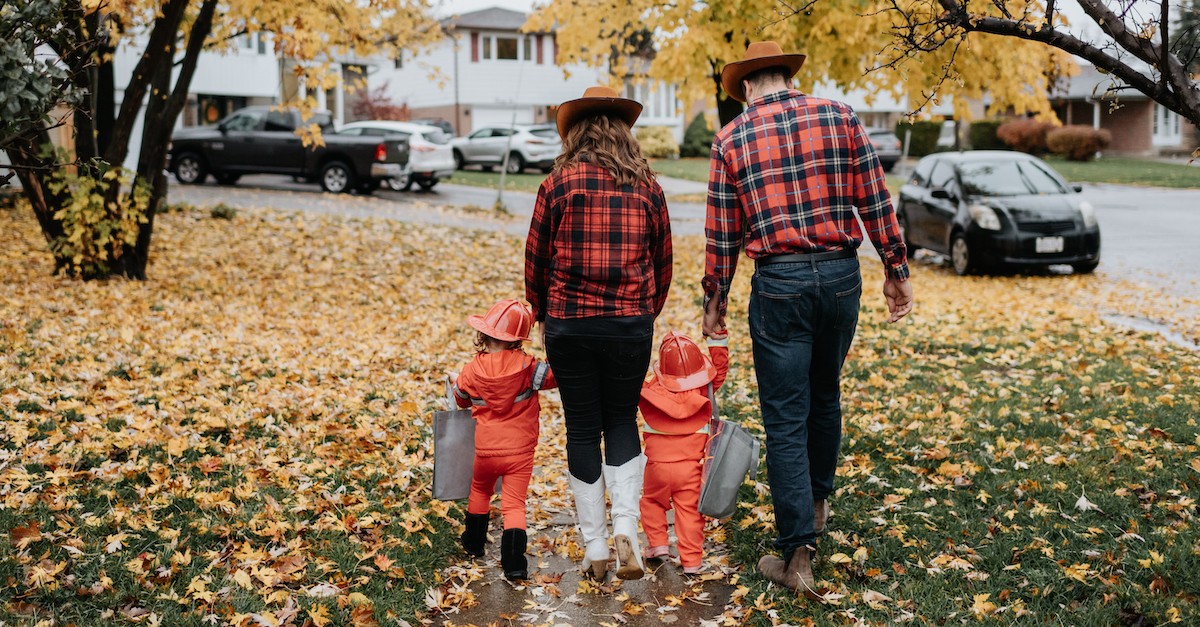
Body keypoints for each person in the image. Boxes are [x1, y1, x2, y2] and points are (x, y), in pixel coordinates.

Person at [702, 42, 914, 595]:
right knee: (825, 396)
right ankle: (816, 506)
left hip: (779, 283)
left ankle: (797, 552)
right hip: (841, 278)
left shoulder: (731, 138)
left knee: (785, 416)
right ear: (786, 77)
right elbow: (874, 198)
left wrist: (715, 299)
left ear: (747, 86)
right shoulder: (840, 116)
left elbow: (722, 233)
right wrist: (896, 268)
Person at [525, 85, 673, 581]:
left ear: (577, 131)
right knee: (621, 421)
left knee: (583, 429)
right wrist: (644, 312)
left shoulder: (558, 183)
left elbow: (536, 257)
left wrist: (541, 312)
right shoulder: (648, 185)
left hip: (570, 323)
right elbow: (663, 258)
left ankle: (594, 547)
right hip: (630, 324)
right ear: (624, 133)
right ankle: (626, 528)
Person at [452, 299, 557, 581]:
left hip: (485, 449)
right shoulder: (529, 368)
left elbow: (460, 399)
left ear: (485, 335)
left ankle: (473, 544)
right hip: (520, 452)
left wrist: (456, 384)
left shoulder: (472, 370)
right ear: (518, 341)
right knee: (514, 504)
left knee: (480, 492)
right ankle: (514, 564)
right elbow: (554, 376)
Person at [638, 331, 729, 575]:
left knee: (651, 502)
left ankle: (657, 544)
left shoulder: (649, 389)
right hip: (690, 468)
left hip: (656, 466)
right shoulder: (704, 391)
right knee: (689, 513)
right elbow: (719, 370)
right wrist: (718, 337)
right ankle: (691, 561)